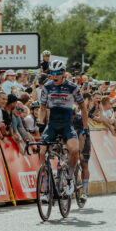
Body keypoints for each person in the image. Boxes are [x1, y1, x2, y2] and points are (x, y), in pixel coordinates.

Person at [38, 60, 89, 199]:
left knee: (74, 150)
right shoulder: (47, 87)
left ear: (63, 73)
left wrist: (85, 127)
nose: (54, 76)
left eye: (57, 73)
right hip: (52, 124)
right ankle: (46, 188)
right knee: (42, 152)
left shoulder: (73, 87)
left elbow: (83, 107)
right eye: (52, 73)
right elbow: (42, 108)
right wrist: (40, 121)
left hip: (67, 124)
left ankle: (70, 178)